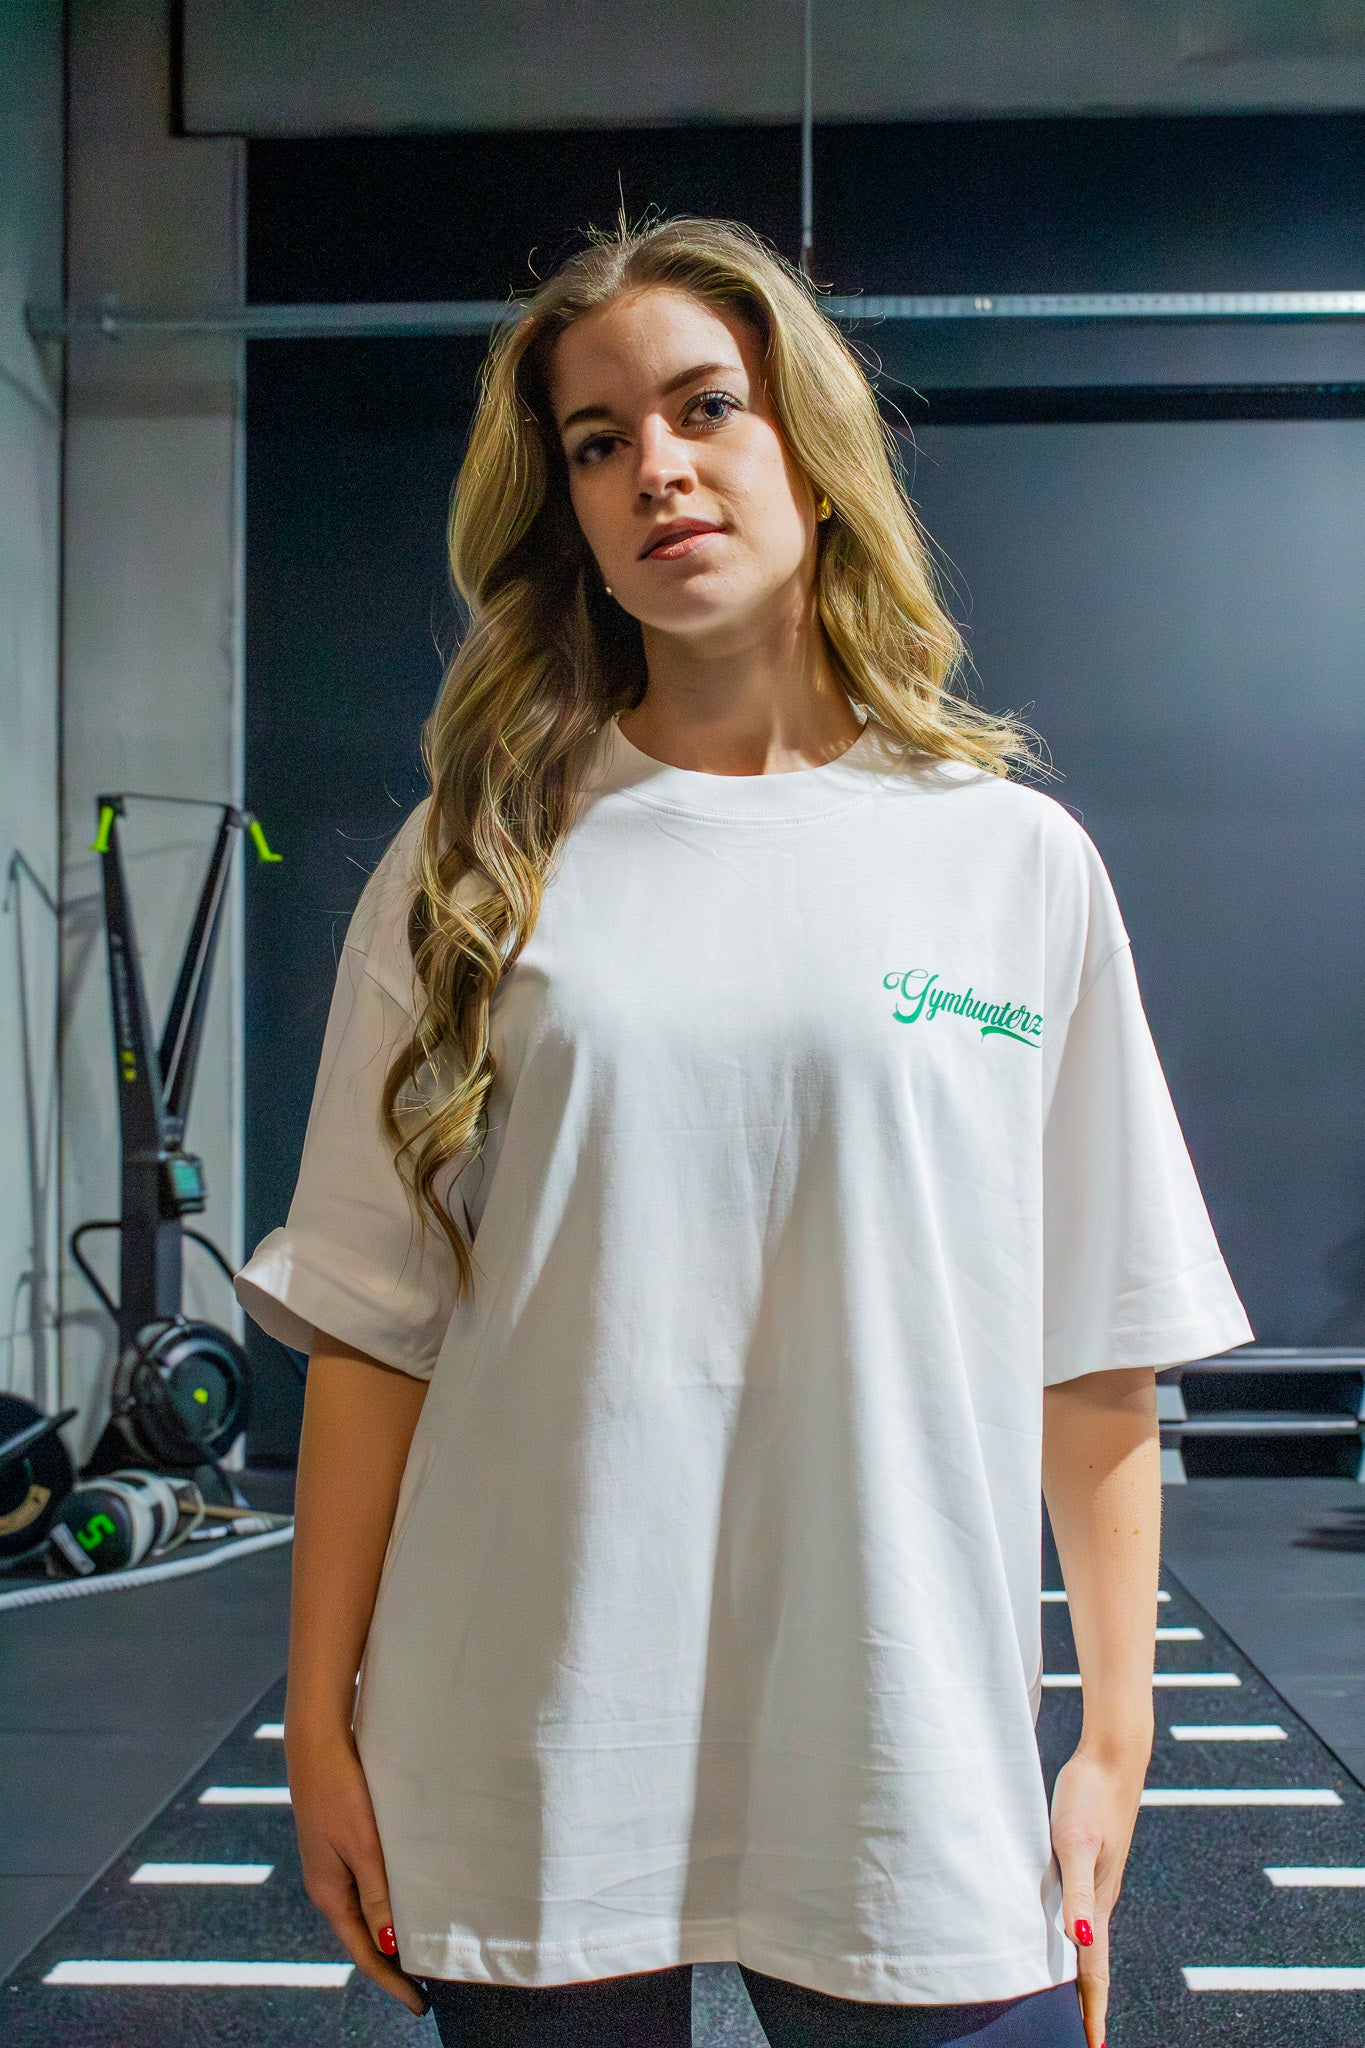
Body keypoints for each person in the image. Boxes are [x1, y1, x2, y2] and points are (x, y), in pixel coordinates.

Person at [235, 216, 1254, 2048]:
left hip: (902, 1751)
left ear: (812, 446)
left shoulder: (1007, 860)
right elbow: (374, 1332)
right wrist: (319, 1728)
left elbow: (1099, 1336)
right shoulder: (470, 863)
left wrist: (1114, 1733)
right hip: (526, 1741)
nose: (656, 468)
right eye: (598, 440)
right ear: (566, 507)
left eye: (705, 408)